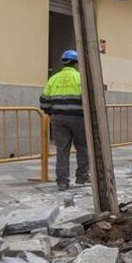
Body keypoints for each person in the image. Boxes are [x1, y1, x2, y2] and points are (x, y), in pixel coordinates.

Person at [40, 49, 90, 191]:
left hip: (59, 119)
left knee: (62, 150)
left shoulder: (53, 78)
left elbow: (44, 101)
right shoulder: (80, 78)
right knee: (83, 147)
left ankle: (62, 181)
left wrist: (51, 112)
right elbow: (87, 100)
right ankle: (82, 176)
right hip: (78, 119)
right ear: (76, 63)